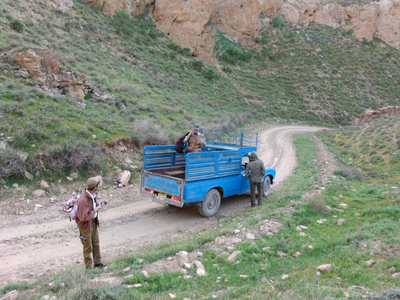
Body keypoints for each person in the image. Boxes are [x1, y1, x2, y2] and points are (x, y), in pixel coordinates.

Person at [76, 177, 108, 269]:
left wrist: (100, 204)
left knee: (96, 243)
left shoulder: (92, 195)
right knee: (87, 247)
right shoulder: (83, 200)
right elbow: (83, 217)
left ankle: (97, 263)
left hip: (92, 223)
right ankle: (88, 267)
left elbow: (92, 208)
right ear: (95, 187)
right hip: (86, 226)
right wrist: (95, 211)